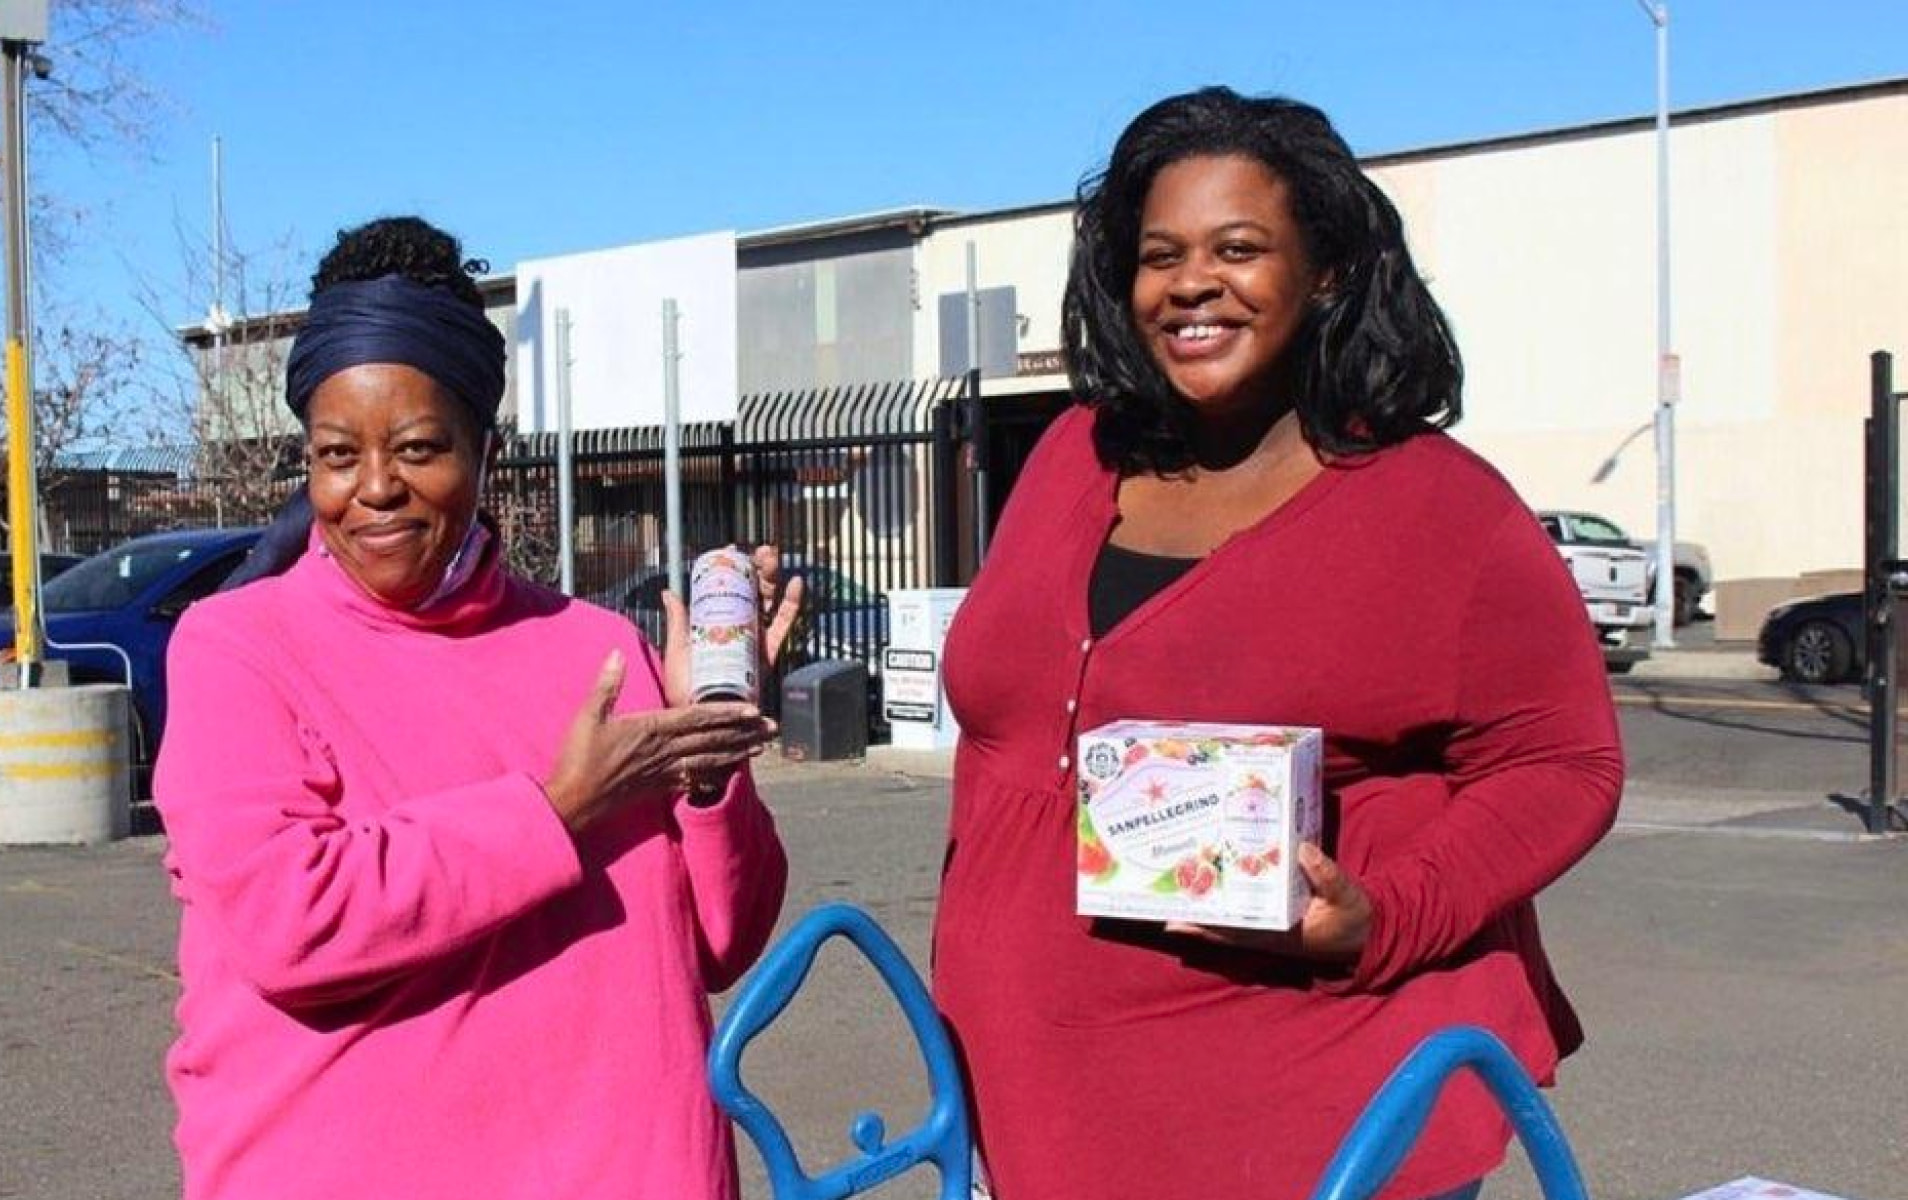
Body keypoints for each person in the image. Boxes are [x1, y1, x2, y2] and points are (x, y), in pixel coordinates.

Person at [930, 87, 1623, 1200]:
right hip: (1040, 1104)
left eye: (1239, 248)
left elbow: (1563, 763)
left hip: (1316, 1117)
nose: (1192, 282)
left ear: (1329, 269)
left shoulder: (1438, 511)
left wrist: (1386, 916)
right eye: (1160, 256)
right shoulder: (1072, 454)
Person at [154, 216, 799, 1200]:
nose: (374, 488)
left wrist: (710, 763)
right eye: (336, 454)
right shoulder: (235, 649)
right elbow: (293, 922)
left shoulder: (599, 652)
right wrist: (554, 810)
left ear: (482, 450)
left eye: (418, 447)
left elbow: (714, 945)